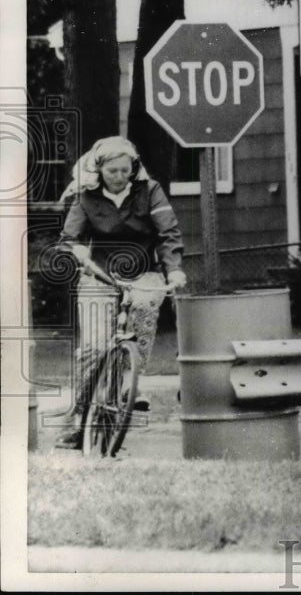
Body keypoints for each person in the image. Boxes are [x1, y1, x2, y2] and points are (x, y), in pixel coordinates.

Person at [54, 136, 187, 449]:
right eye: (112, 170)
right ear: (100, 170)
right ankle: (78, 419)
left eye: (124, 170)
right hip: (99, 276)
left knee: (145, 309)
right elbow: (70, 236)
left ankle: (130, 385)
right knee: (95, 348)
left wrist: (175, 268)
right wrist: (78, 253)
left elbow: (168, 233)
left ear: (133, 168)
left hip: (145, 272)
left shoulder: (150, 191)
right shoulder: (86, 196)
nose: (118, 176)